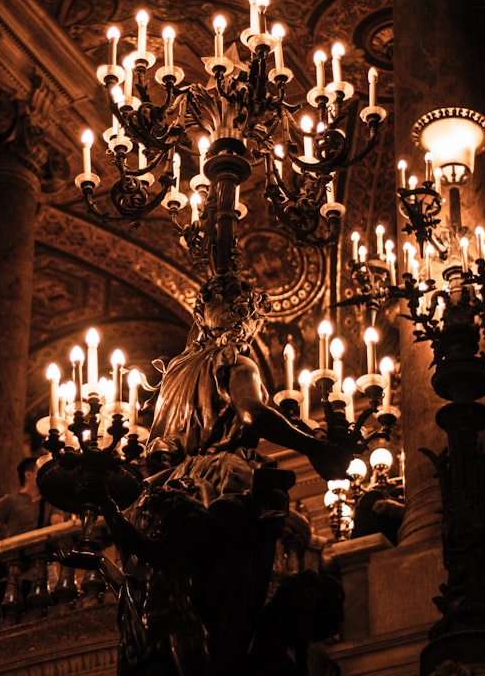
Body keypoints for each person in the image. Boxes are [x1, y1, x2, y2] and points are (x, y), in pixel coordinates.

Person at [93, 272, 354, 675]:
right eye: (243, 313)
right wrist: (315, 446)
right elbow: (253, 412)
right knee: (228, 611)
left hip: (168, 490)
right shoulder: (234, 361)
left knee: (167, 604)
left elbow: (156, 449)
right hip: (220, 482)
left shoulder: (175, 374)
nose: (246, 321)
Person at [0, 457, 62, 551]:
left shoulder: (51, 500)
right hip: (16, 556)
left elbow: (57, 525)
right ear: (28, 475)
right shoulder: (9, 501)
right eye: (41, 471)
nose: (46, 475)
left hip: (41, 555)